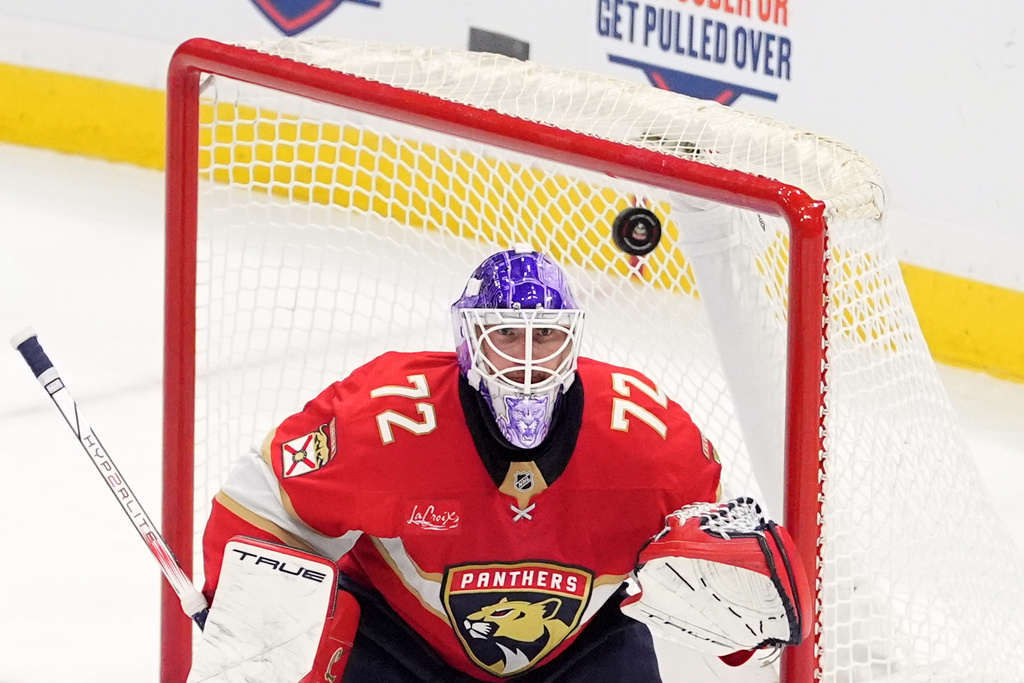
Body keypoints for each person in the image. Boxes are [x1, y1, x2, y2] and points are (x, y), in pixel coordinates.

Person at [191, 245, 809, 683]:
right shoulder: (387, 421)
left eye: (546, 337)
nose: (527, 358)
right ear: (469, 340)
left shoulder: (647, 436)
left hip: (580, 653)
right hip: (399, 641)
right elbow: (266, 500)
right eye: (507, 334)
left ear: (574, 340)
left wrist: (741, 627)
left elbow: (719, 535)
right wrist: (247, 608)